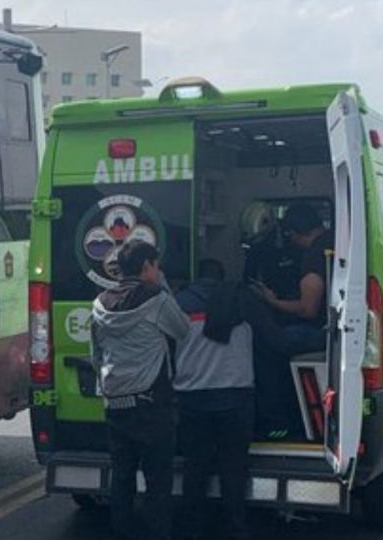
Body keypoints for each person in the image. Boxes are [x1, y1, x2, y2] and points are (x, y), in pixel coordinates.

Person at [90, 240, 189, 540]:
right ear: (147, 266)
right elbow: (183, 330)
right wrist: (166, 289)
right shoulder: (156, 299)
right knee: (157, 482)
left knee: (121, 479)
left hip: (116, 403)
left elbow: (96, 355)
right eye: (156, 266)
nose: (158, 272)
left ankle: (122, 533)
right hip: (151, 404)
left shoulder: (99, 304)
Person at [175, 260, 254, 540]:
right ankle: (236, 527)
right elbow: (272, 339)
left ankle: (193, 527)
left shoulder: (178, 303)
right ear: (222, 278)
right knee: (233, 467)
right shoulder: (241, 300)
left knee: (195, 467)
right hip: (234, 395)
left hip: (191, 397)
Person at [248, 203, 334, 439]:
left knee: (263, 345)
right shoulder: (334, 240)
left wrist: (271, 301)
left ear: (296, 233)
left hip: (319, 332)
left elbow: (307, 310)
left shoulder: (314, 256)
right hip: (332, 330)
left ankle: (276, 422)